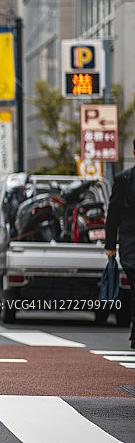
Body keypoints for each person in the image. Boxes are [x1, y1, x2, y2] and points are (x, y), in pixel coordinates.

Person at [104, 137, 135, 349]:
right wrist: (109, 245)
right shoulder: (124, 179)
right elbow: (112, 214)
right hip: (130, 243)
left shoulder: (123, 178)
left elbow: (113, 214)